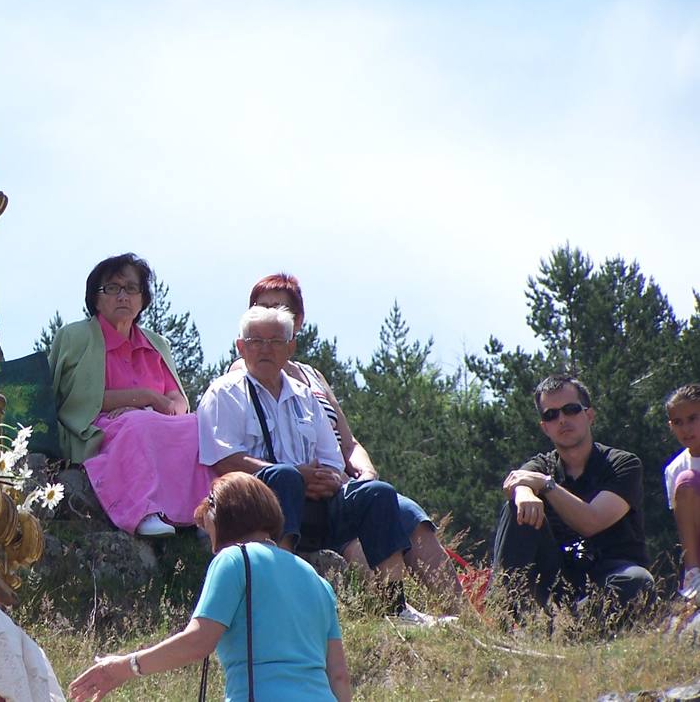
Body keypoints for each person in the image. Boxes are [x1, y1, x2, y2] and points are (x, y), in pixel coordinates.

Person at [198, 306, 436, 624]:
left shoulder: (306, 397)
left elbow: (333, 459)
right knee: (283, 477)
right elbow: (225, 460)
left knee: (377, 492)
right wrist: (296, 475)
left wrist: (331, 479)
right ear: (240, 347)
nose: (265, 348)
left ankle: (394, 606)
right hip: (257, 506)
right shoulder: (224, 393)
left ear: (291, 347)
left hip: (316, 503)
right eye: (256, 340)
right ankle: (276, 590)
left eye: (275, 340)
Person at [240, 274, 461, 609]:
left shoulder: (313, 377)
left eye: (280, 308)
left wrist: (365, 475)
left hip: (339, 479)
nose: (272, 315)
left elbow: (349, 442)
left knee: (408, 512)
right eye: (263, 307)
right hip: (297, 485)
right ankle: (386, 610)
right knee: (355, 525)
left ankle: (461, 613)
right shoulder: (246, 371)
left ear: (297, 321)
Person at [68, 472, 351, 701]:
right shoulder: (317, 580)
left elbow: (198, 642)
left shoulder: (235, 559)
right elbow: (338, 675)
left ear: (226, 513)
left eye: (208, 518)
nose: (207, 529)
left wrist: (123, 668)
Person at [50, 253, 213, 537]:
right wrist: (145, 398)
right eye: (112, 288)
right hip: (97, 426)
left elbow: (178, 401)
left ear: (142, 299)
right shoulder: (75, 336)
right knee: (137, 423)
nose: (122, 296)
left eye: (131, 288)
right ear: (95, 298)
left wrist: (156, 408)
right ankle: (142, 512)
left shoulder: (156, 342)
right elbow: (80, 400)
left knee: (200, 425)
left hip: (153, 421)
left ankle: (203, 515)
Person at [492, 374, 655, 618]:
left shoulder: (623, 464)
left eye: (571, 410)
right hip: (555, 574)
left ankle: (577, 630)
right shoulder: (541, 465)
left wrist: (547, 486)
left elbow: (592, 522)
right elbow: (517, 480)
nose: (562, 420)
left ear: (589, 415)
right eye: (551, 415)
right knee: (517, 509)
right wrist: (524, 493)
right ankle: (503, 615)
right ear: (544, 427)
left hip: (610, 570)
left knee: (637, 582)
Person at [664, 383, 700, 600]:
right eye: (678, 422)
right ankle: (694, 577)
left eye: (693, 419)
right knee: (686, 482)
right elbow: (686, 527)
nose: (685, 429)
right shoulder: (675, 469)